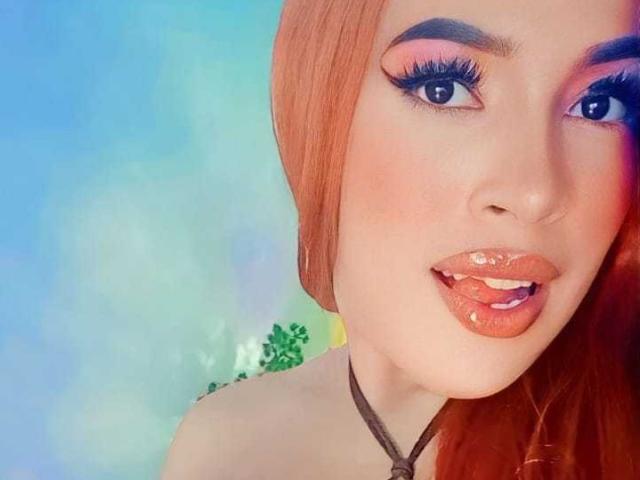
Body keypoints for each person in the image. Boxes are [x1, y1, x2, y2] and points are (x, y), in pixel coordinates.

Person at [161, 0, 640, 478]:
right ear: (317, 110)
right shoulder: (220, 445)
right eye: (443, 88)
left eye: (599, 104)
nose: (535, 194)